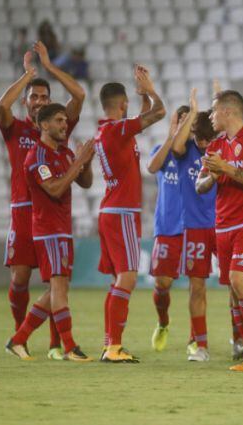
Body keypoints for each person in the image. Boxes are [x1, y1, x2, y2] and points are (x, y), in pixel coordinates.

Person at [0, 41, 86, 361]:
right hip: (23, 210)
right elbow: (2, 107)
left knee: (56, 280)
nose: (39, 102)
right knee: (21, 279)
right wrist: (27, 75)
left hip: (53, 209)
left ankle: (54, 345)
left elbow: (78, 95)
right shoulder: (17, 128)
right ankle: (21, 332)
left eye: (44, 97)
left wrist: (50, 69)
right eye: (34, 97)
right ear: (26, 102)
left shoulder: (57, 127)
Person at [5, 103, 95, 362]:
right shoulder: (36, 156)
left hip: (62, 229)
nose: (64, 125)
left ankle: (18, 339)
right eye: (58, 120)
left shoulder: (64, 152)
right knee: (59, 288)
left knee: (59, 288)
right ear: (44, 125)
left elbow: (85, 183)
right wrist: (77, 162)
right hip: (47, 230)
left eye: (65, 121)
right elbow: (54, 189)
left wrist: (84, 164)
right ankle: (69, 347)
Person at [196, 90, 243, 372]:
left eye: (214, 112)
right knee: (233, 289)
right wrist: (212, 176)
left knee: (240, 281)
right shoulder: (214, 146)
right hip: (223, 223)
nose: (211, 117)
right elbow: (200, 186)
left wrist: (225, 168)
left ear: (227, 112)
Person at [95, 65, 166, 363]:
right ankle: (113, 347)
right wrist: (150, 90)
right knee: (128, 278)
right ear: (121, 105)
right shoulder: (118, 129)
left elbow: (145, 117)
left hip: (112, 209)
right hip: (122, 212)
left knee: (118, 281)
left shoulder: (106, 131)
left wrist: (141, 97)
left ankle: (110, 342)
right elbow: (159, 113)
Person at [172, 89, 219, 362]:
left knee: (235, 284)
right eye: (199, 139)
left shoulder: (220, 149)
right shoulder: (185, 151)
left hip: (224, 223)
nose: (203, 144)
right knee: (197, 286)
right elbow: (176, 145)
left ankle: (240, 340)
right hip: (195, 227)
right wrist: (191, 112)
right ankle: (201, 345)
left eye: (207, 139)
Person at [147, 106, 189, 353]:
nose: (184, 126)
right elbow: (152, 167)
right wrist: (171, 137)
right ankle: (163, 322)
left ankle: (197, 339)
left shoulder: (197, 154)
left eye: (188, 123)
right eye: (179, 121)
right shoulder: (162, 153)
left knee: (198, 284)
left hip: (195, 227)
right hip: (167, 227)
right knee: (162, 284)